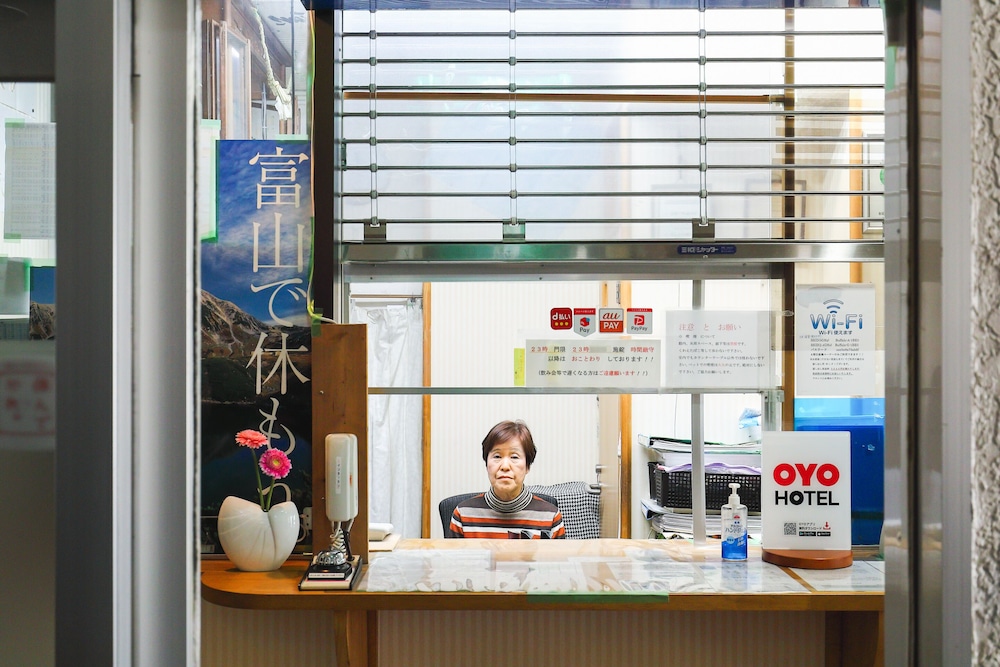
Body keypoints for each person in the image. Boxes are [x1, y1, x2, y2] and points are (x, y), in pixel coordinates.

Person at [450, 420, 566, 539]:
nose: (505, 466)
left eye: (514, 457)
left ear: (527, 466)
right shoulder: (463, 514)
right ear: (486, 464)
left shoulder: (550, 517)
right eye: (497, 456)